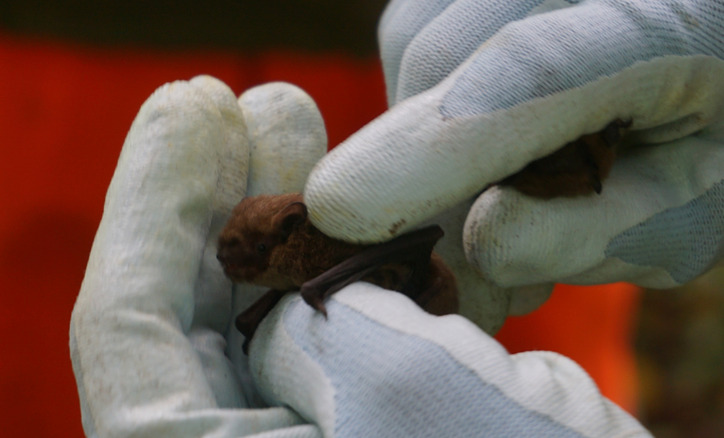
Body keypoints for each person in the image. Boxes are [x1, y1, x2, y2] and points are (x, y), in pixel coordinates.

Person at [70, 0, 723, 436]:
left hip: (410, 98)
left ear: (289, 239)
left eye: (250, 252)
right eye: (236, 252)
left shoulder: (311, 247)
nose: (234, 261)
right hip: (74, 53)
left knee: (510, 328)